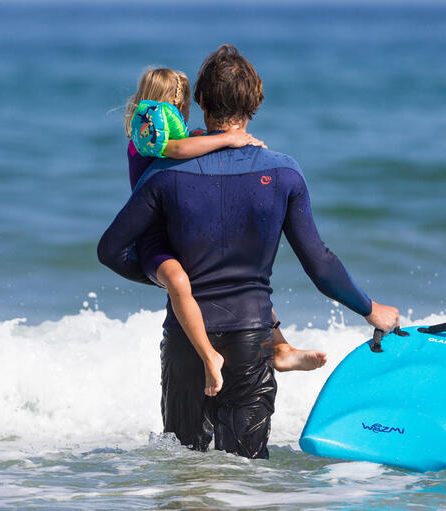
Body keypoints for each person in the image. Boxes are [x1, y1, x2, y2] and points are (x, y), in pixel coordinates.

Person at [99, 45, 399, 459]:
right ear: (255, 102)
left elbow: (110, 250)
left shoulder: (162, 174)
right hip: (251, 342)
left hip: (188, 341)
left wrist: (168, 281)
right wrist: (370, 309)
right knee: (246, 482)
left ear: (200, 102)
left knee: (184, 478)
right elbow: (319, 262)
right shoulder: (284, 173)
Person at [122, 67, 328, 398]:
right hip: (155, 236)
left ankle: (280, 347)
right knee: (178, 282)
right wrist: (229, 138)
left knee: (246, 278)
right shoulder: (147, 138)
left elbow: (190, 143)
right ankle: (208, 355)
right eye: (180, 106)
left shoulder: (178, 133)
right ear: (169, 106)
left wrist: (241, 149)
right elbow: (176, 151)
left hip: (178, 231)